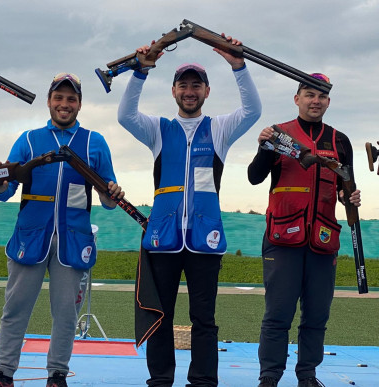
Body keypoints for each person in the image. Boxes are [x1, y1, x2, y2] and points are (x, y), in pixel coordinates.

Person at [117, 35, 262, 387]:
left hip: (205, 241)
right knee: (160, 315)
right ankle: (161, 380)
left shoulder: (220, 128)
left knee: (204, 319)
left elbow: (253, 111)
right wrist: (140, 71)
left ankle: (202, 381)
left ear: (207, 92)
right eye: (183, 85)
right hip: (163, 239)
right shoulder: (157, 129)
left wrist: (238, 65)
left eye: (196, 85)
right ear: (174, 91)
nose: (189, 91)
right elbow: (124, 115)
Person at [0, 72, 124, 387]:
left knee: (66, 315)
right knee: (15, 309)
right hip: (30, 236)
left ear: (79, 104)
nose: (64, 104)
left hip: (73, 241)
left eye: (71, 98)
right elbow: (3, 192)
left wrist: (112, 191)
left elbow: (109, 199)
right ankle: (3, 373)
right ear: (49, 101)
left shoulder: (94, 142)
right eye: (58, 97)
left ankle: (57, 375)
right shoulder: (29, 140)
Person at [248, 73, 361, 387]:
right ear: (297, 98)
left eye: (321, 96)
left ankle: (307, 375)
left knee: (316, 316)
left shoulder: (340, 141)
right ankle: (269, 376)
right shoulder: (280, 134)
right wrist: (264, 147)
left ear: (328, 101)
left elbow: (344, 188)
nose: (315, 101)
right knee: (278, 314)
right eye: (309, 94)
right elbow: (254, 177)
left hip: (323, 242)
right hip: (282, 237)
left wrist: (349, 196)